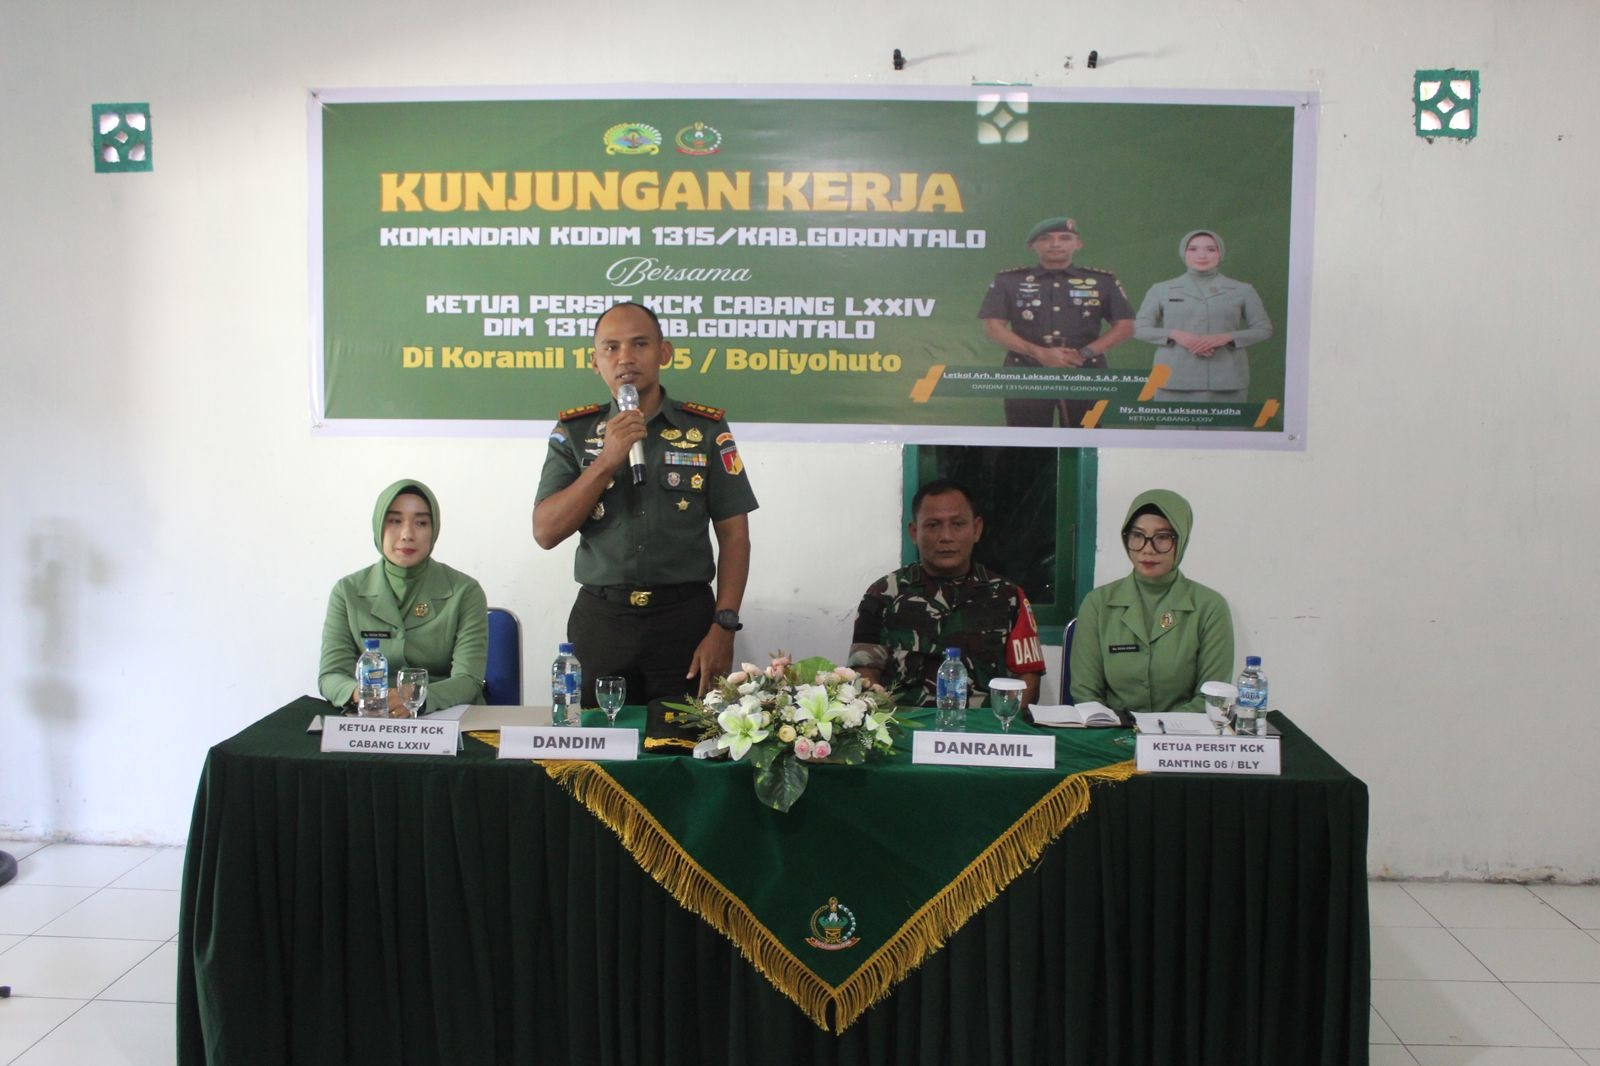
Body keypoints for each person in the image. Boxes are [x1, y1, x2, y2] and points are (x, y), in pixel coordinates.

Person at [533, 302, 757, 703]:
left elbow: (735, 536)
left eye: (639, 344)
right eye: (611, 347)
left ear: (664, 352)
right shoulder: (574, 431)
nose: (625, 358)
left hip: (685, 621)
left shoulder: (705, 429)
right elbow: (545, 532)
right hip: (602, 622)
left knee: (687, 738)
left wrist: (724, 627)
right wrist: (607, 460)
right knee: (596, 739)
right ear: (594, 361)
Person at [848, 479, 1045, 709]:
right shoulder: (882, 595)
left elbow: (1028, 679)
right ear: (914, 532)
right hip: (906, 725)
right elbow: (864, 676)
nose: (946, 536)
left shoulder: (1008, 597)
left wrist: (1004, 725)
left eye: (958, 524)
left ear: (976, 529)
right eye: (933, 525)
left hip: (985, 728)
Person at [318, 479, 488, 714]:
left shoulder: (465, 591)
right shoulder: (347, 592)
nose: (407, 534)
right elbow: (331, 674)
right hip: (371, 715)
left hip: (445, 715)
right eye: (395, 521)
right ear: (378, 526)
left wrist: (415, 698)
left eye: (421, 523)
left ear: (434, 530)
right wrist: (365, 695)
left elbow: (469, 679)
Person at [1069, 488, 1234, 716]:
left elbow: (1211, 698)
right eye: (1137, 535)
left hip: (1184, 733)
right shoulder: (1098, 604)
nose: (1147, 549)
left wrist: (1157, 731)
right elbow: (1085, 692)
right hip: (1112, 731)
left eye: (1162, 537)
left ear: (1181, 540)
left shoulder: (1210, 607)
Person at [978, 216, 1136, 428]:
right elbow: (993, 327)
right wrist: (1038, 353)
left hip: (1085, 371)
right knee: (1026, 441)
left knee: (1085, 439)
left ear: (1078, 244)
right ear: (1032, 245)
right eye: (1045, 238)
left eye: (1065, 238)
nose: (1055, 244)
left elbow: (1125, 326)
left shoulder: (1102, 281)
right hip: (1026, 371)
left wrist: (1082, 354)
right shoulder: (1009, 280)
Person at [1134, 229, 1273, 403]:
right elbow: (1138, 328)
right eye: (1193, 249)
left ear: (1220, 253)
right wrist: (1175, 334)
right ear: (1183, 253)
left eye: (1210, 249)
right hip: (1173, 378)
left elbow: (1264, 329)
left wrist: (1226, 337)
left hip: (1226, 379)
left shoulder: (1243, 290)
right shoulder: (1161, 289)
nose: (1201, 255)